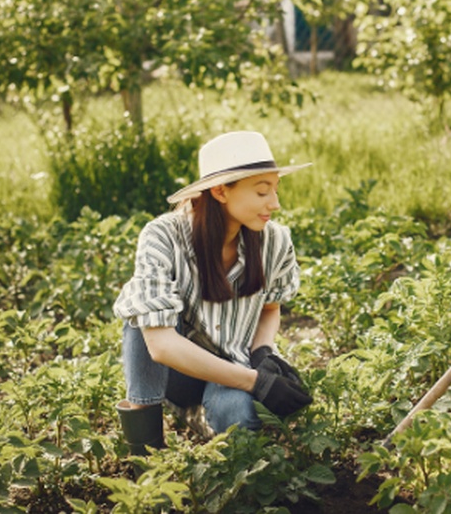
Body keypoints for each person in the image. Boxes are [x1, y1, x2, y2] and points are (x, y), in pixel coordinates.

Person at [113, 130, 314, 454]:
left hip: (232, 365)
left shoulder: (275, 241)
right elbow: (161, 346)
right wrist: (255, 382)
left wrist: (262, 353)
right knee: (141, 316)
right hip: (177, 373)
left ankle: (200, 417)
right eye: (263, 192)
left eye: (276, 189)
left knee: (240, 417)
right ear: (221, 191)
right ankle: (144, 452)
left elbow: (270, 308)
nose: (275, 204)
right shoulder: (164, 236)